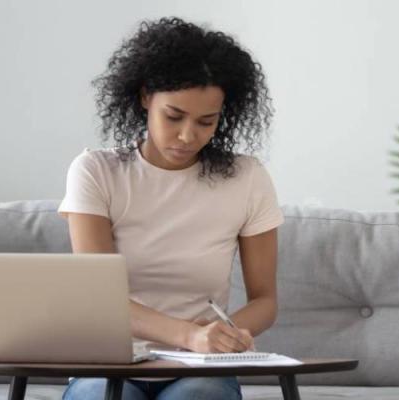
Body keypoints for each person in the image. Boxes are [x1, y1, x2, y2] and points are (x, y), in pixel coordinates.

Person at [58, 16, 282, 400]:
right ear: (145, 96)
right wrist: (189, 334)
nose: (187, 136)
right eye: (173, 116)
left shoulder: (247, 178)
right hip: (112, 364)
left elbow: (265, 301)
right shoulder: (96, 171)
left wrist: (231, 334)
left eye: (206, 121)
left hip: (200, 370)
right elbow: (97, 298)